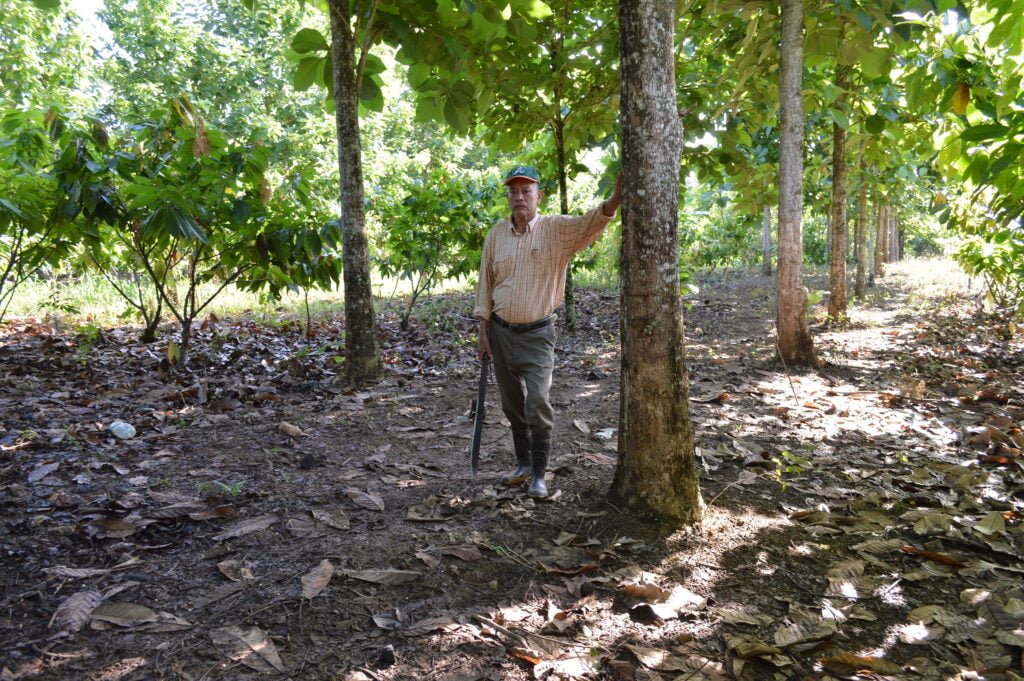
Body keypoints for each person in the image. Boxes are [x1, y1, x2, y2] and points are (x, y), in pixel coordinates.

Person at [474, 164, 622, 498]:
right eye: (513, 192)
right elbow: (486, 284)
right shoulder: (497, 234)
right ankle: (523, 464)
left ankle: (540, 473)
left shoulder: (555, 230)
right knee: (512, 406)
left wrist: (615, 199)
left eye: (526, 191)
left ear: (539, 196)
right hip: (500, 334)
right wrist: (483, 332)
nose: (519, 197)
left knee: (537, 402)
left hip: (538, 335)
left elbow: (590, 222)